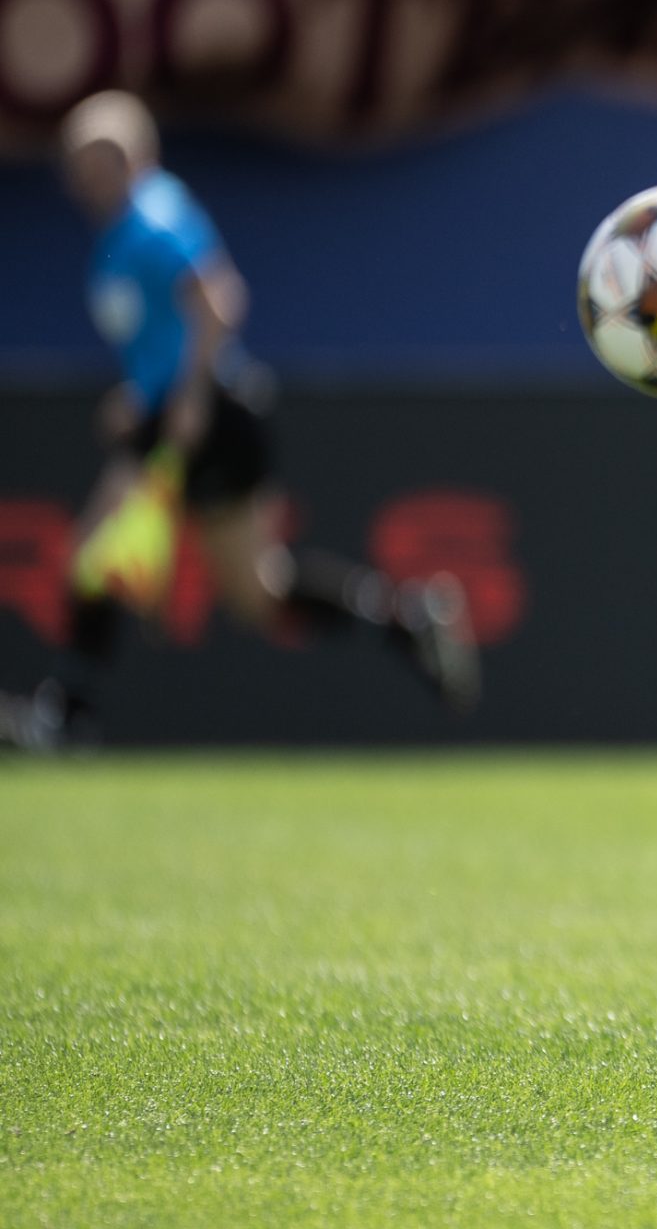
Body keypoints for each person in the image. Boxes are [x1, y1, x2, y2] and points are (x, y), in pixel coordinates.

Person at [0, 92, 476, 752]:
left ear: (137, 155)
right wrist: (140, 398)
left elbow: (219, 303)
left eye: (100, 157)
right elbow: (161, 337)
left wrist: (188, 401)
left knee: (93, 554)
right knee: (258, 595)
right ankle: (404, 616)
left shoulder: (154, 217)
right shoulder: (121, 234)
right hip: (183, 412)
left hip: (208, 414)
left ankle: (66, 715)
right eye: (76, 161)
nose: (86, 174)